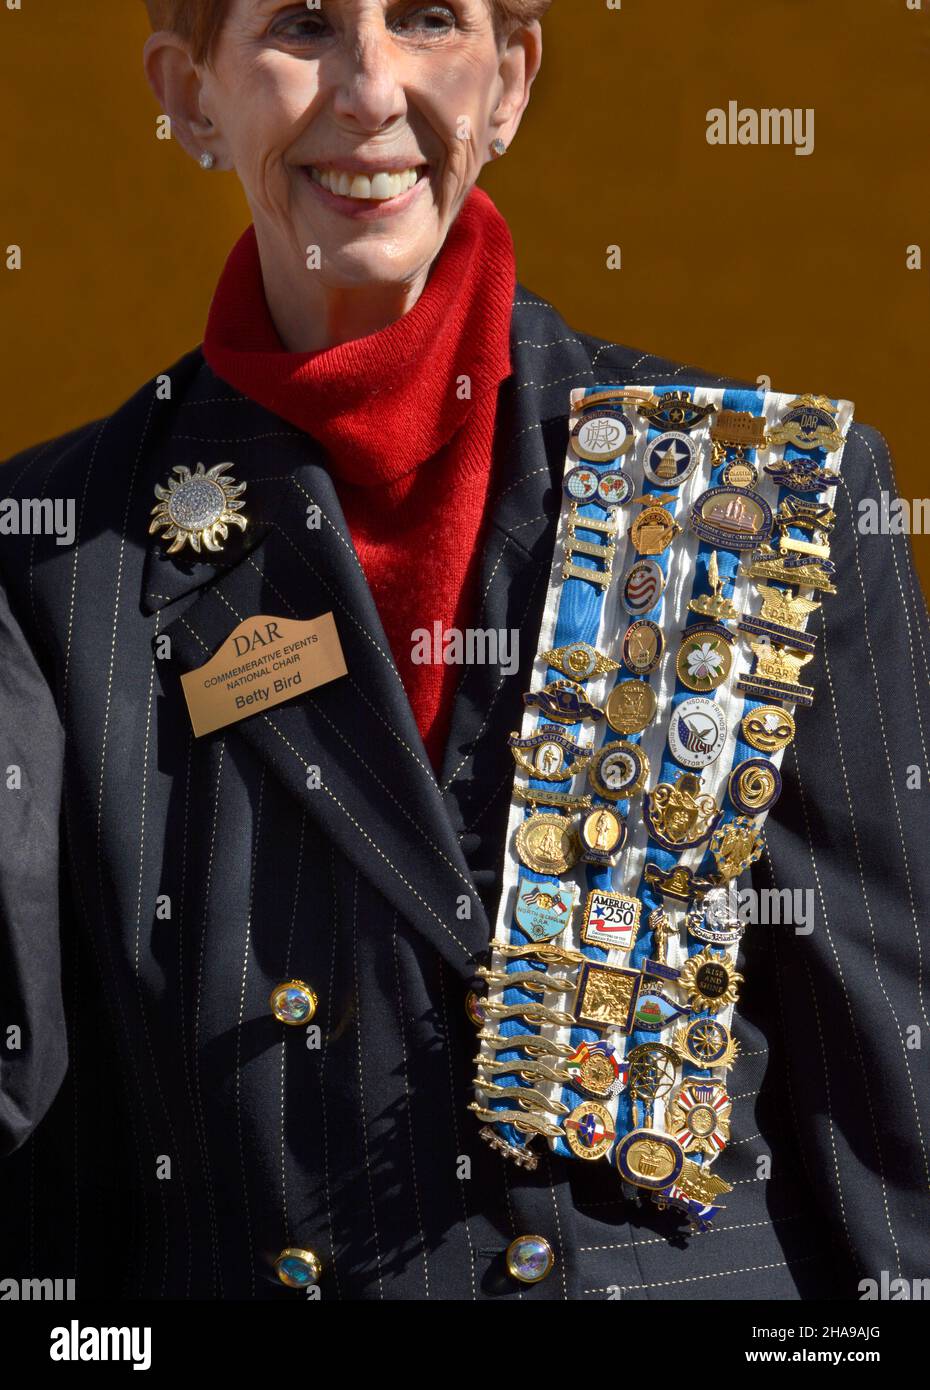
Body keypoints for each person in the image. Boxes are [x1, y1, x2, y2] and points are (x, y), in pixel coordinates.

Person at [1, 0, 928, 1301]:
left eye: (429, 18)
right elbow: (44, 1180)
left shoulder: (756, 495)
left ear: (509, 81)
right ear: (189, 94)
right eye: (304, 26)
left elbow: (894, 1107)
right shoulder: (50, 553)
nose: (371, 88)